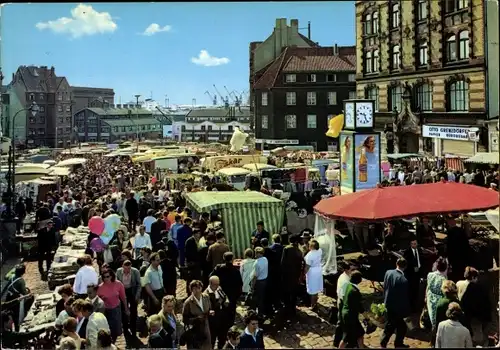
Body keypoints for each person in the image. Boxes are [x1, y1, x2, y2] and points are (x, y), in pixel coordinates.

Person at [380, 258, 410, 348]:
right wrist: (406, 311)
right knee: (397, 326)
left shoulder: (388, 272)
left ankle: (390, 342)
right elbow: (403, 298)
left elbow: (385, 286)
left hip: (388, 303)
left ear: (396, 263)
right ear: (405, 267)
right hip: (397, 308)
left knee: (392, 325)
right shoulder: (403, 280)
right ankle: (394, 343)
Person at [459, 267, 491, 347]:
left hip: (465, 316)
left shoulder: (459, 284)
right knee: (478, 338)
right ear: (473, 277)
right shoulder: (478, 288)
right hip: (476, 317)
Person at [210, 252, 243, 329]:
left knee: (220, 311)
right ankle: (230, 327)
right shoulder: (236, 271)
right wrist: (237, 295)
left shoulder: (218, 268)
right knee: (231, 313)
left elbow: (211, 277)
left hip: (220, 294)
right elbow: (240, 284)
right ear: (232, 259)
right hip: (232, 296)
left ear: (223, 259)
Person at [97, 269, 128, 341]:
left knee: (116, 328)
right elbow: (97, 301)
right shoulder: (100, 288)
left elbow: (123, 297)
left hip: (116, 309)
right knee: (108, 329)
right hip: (106, 310)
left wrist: (126, 309)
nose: (106, 278)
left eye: (108, 276)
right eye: (104, 277)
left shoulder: (118, 284)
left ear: (111, 276)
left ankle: (113, 341)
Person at [182, 280, 213, 350]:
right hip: (194, 330)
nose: (197, 290)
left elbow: (209, 308)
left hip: (205, 327)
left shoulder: (206, 297)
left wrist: (210, 312)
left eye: (199, 288)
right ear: (191, 290)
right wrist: (196, 319)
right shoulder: (188, 303)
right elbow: (184, 319)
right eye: (195, 289)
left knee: (207, 346)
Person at [340, 270, 366, 348]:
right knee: (346, 339)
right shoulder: (355, 291)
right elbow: (360, 307)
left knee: (360, 334)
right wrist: (367, 317)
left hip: (347, 315)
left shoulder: (348, 286)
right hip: (350, 317)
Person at [281, 233, 304, 320]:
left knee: (286, 293)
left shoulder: (286, 249)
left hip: (287, 275)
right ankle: (293, 310)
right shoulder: (298, 251)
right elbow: (300, 264)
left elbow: (282, 263)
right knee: (293, 293)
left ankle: (287, 309)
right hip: (295, 275)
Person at [116, 260, 141, 335]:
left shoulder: (135, 271)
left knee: (133, 311)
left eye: (129, 268)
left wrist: (137, 296)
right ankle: (125, 328)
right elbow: (116, 283)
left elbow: (139, 284)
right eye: (126, 269)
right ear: (122, 266)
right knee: (123, 310)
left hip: (132, 291)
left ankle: (133, 328)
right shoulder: (118, 271)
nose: (127, 270)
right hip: (122, 291)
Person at [205, 275, 230, 349]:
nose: (217, 286)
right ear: (210, 284)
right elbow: (209, 308)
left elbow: (225, 296)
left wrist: (226, 300)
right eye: (215, 284)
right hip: (213, 320)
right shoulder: (206, 294)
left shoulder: (218, 288)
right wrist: (219, 302)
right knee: (212, 338)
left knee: (222, 337)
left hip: (221, 317)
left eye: (218, 284)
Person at [333, 261, 355, 347]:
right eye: (351, 268)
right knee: (341, 323)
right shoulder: (345, 280)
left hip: (341, 301)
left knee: (341, 323)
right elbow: (343, 295)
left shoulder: (344, 276)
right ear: (347, 269)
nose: (352, 270)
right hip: (343, 302)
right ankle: (338, 341)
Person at [4, 264, 30, 331]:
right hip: (16, 299)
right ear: (23, 272)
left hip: (8, 297)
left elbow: (5, 276)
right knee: (16, 317)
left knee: (9, 314)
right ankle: (17, 330)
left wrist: (13, 269)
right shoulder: (21, 281)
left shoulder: (11, 277)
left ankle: (9, 329)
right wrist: (27, 291)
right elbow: (24, 293)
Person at [426, 257, 448, 329]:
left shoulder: (430, 275)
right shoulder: (444, 280)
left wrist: (426, 297)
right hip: (439, 301)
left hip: (430, 298)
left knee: (431, 316)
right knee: (437, 320)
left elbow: (428, 287)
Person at [403, 236, 423, 312]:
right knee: (411, 290)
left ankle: (415, 305)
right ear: (410, 244)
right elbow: (406, 263)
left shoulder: (419, 250)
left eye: (415, 244)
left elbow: (421, 260)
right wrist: (413, 267)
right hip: (411, 274)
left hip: (418, 273)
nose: (414, 245)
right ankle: (410, 307)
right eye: (413, 244)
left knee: (417, 290)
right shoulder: (407, 252)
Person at [251, 247, 268, 317]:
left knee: (257, 298)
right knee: (263, 297)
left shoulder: (256, 262)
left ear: (258, 253)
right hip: (265, 280)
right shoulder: (265, 259)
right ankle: (262, 312)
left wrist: (252, 286)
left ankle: (258, 313)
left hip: (259, 282)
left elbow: (255, 276)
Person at [185, 229, 202, 295]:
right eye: (198, 233)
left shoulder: (196, 240)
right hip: (192, 263)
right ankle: (189, 292)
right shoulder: (190, 241)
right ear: (195, 234)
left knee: (196, 277)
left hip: (196, 262)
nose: (199, 235)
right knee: (191, 278)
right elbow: (189, 253)